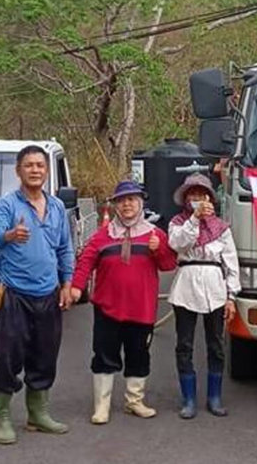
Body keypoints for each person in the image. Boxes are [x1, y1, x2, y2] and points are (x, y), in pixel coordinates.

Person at [0, 144, 77, 445]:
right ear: (19, 170)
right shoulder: (7, 205)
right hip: (14, 294)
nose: (35, 170)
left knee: (45, 355)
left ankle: (38, 414)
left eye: (40, 165)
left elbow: (65, 248)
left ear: (46, 170)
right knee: (9, 357)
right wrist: (10, 235)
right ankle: (2, 417)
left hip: (48, 294)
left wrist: (66, 284)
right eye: (29, 165)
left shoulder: (56, 207)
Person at [71, 181, 177, 425]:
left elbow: (168, 265)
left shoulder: (155, 234)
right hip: (107, 307)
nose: (127, 204)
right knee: (104, 355)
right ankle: (102, 405)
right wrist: (76, 287)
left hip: (141, 308)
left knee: (138, 355)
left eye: (132, 200)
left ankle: (134, 401)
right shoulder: (102, 235)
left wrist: (159, 249)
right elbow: (86, 261)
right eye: (122, 200)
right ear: (116, 205)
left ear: (141, 203)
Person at [168, 174, 241, 419]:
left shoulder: (221, 228)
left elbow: (231, 262)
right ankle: (188, 399)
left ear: (210, 197)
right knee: (184, 344)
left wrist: (231, 295)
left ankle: (214, 397)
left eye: (202, 195)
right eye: (192, 195)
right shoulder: (178, 223)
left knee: (216, 344)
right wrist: (194, 220)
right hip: (186, 285)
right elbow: (178, 244)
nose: (197, 199)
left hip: (214, 286)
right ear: (186, 198)